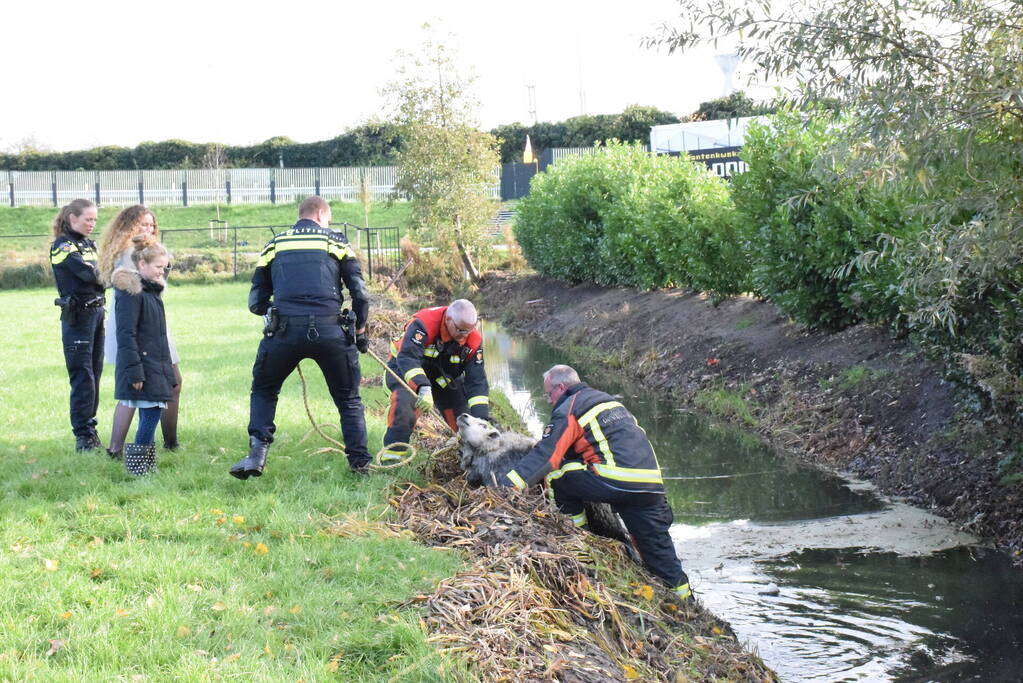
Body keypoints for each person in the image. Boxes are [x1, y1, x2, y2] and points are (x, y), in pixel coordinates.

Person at [499, 364, 692, 601]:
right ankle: (686, 604)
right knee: (659, 553)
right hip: (650, 486)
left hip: (613, 480)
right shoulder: (611, 403)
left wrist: (505, 488)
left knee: (557, 474)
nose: (549, 401)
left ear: (561, 387)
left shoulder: (569, 407)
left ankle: (577, 537)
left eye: (548, 394)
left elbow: (547, 456)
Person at [230, 196, 371, 479]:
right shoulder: (336, 241)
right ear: (320, 214)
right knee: (348, 399)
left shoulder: (275, 244)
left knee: (265, 390)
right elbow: (360, 292)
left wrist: (275, 312)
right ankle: (360, 465)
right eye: (327, 219)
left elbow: (256, 300)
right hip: (331, 330)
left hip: (284, 331)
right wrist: (360, 329)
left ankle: (256, 457)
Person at [97, 205, 183, 458]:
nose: (148, 229)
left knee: (138, 391)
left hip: (150, 326)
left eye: (151, 225)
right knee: (156, 385)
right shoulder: (132, 256)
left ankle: (120, 448)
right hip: (142, 330)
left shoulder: (142, 254)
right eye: (142, 225)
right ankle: (165, 443)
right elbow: (134, 304)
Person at [380, 299, 489, 463]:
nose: (464, 336)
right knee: (405, 404)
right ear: (448, 320)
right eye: (460, 330)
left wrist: (481, 420)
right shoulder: (424, 323)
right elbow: (408, 357)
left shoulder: (472, 339)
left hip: (440, 374)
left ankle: (467, 457)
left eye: (468, 331)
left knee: (462, 414)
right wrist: (423, 388)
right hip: (405, 368)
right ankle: (393, 459)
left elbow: (477, 382)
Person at [111, 236, 177, 475]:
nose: (163, 272)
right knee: (150, 413)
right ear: (141, 265)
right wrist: (135, 371)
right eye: (159, 267)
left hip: (154, 364)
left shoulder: (151, 292)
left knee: (153, 410)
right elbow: (126, 335)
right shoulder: (131, 294)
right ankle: (138, 468)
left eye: (164, 267)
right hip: (142, 367)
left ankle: (146, 465)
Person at [50, 198, 106, 451]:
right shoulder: (62, 246)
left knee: (95, 374)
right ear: (73, 218)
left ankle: (91, 430)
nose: (92, 224)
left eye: (94, 219)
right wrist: (107, 275)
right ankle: (83, 437)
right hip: (78, 319)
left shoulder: (88, 244)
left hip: (97, 314)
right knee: (83, 377)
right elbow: (91, 275)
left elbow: (101, 273)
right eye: (88, 219)